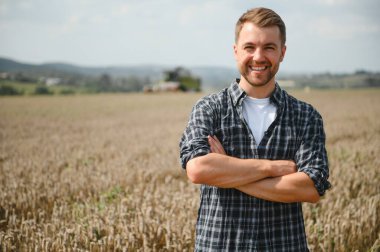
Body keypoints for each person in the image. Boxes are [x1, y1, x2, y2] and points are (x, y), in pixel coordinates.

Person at [179, 7, 331, 251]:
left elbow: (311, 187)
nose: (258, 57)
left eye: (269, 47)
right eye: (249, 47)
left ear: (282, 52)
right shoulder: (209, 109)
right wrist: (272, 168)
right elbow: (198, 169)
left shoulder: (305, 116)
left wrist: (227, 169)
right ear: (236, 51)